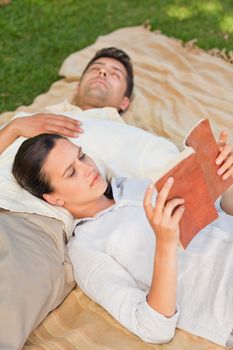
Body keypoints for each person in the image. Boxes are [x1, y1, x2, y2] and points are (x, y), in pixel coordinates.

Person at [12, 131, 233, 347]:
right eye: (71, 172)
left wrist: (226, 179)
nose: (88, 168)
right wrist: (165, 245)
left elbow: (222, 213)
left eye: (81, 156)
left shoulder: (133, 186)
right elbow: (153, 328)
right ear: (53, 198)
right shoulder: (85, 250)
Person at [0, 47, 134, 155]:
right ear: (77, 88)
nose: (102, 72)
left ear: (124, 102)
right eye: (95, 69)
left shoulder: (125, 139)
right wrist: (14, 128)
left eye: (115, 74)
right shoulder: (30, 118)